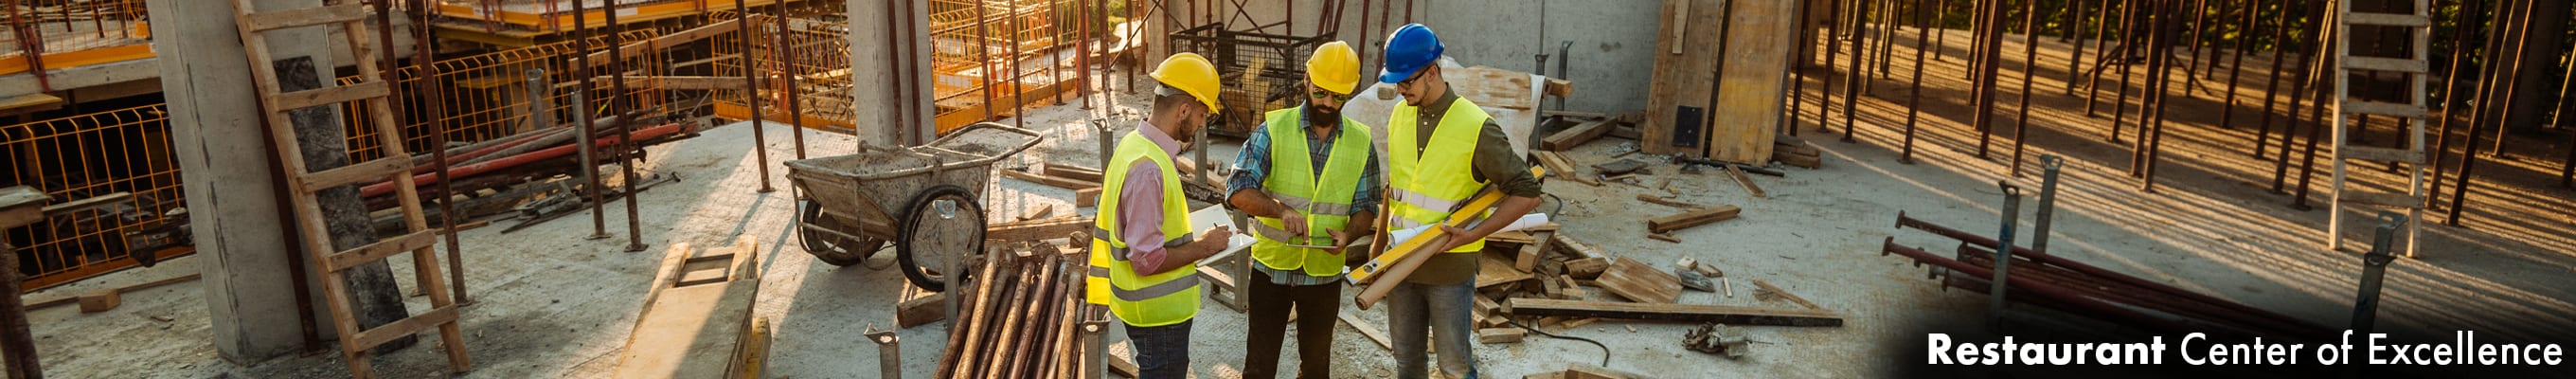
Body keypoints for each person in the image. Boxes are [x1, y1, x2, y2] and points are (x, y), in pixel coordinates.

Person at [1373, 24, 1545, 379]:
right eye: (1396, 83)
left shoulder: (1475, 126)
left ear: (1432, 72)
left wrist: (1474, 233)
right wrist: (1378, 248)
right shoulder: (1399, 115)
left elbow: (1527, 192)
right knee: (1407, 362)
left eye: (1406, 82)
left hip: (1449, 270)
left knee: (1454, 366)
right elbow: (1395, 188)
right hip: (1400, 263)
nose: (1400, 90)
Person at [1226, 41, 1377, 379]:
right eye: (1322, 92)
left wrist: (1350, 233)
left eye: (1338, 97)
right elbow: (1237, 190)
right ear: (1307, 80)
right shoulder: (1274, 130)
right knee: (1259, 366)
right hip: (1272, 270)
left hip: (1324, 274)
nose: (1328, 103)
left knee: (1316, 367)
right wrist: (1279, 210)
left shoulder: (1361, 143)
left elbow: (1366, 205)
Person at [1085, 52, 1239, 379]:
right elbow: (1146, 260)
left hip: (1148, 312)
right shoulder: (1148, 169)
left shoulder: (1135, 145)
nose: (1200, 125)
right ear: (1183, 109)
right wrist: (1205, 246)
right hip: (1158, 317)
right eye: (1200, 115)